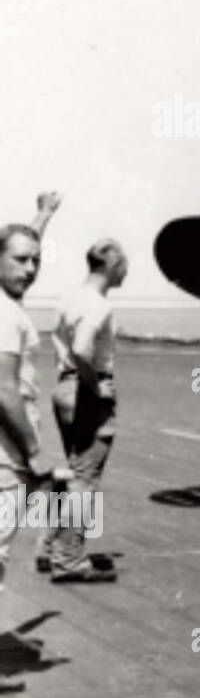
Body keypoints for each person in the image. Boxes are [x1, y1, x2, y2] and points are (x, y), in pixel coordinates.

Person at [37, 239, 126, 583]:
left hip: (63, 388)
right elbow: (81, 348)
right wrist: (94, 386)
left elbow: (62, 341)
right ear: (111, 263)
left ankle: (49, 549)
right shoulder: (99, 305)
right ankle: (69, 559)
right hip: (85, 390)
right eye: (125, 264)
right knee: (86, 476)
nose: (127, 271)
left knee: (74, 470)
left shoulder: (68, 298)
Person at [0, 225, 60, 616]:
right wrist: (35, 453)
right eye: (21, 260)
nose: (31, 268)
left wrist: (41, 218)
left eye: (36, 259)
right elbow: (4, 389)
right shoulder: (6, 315)